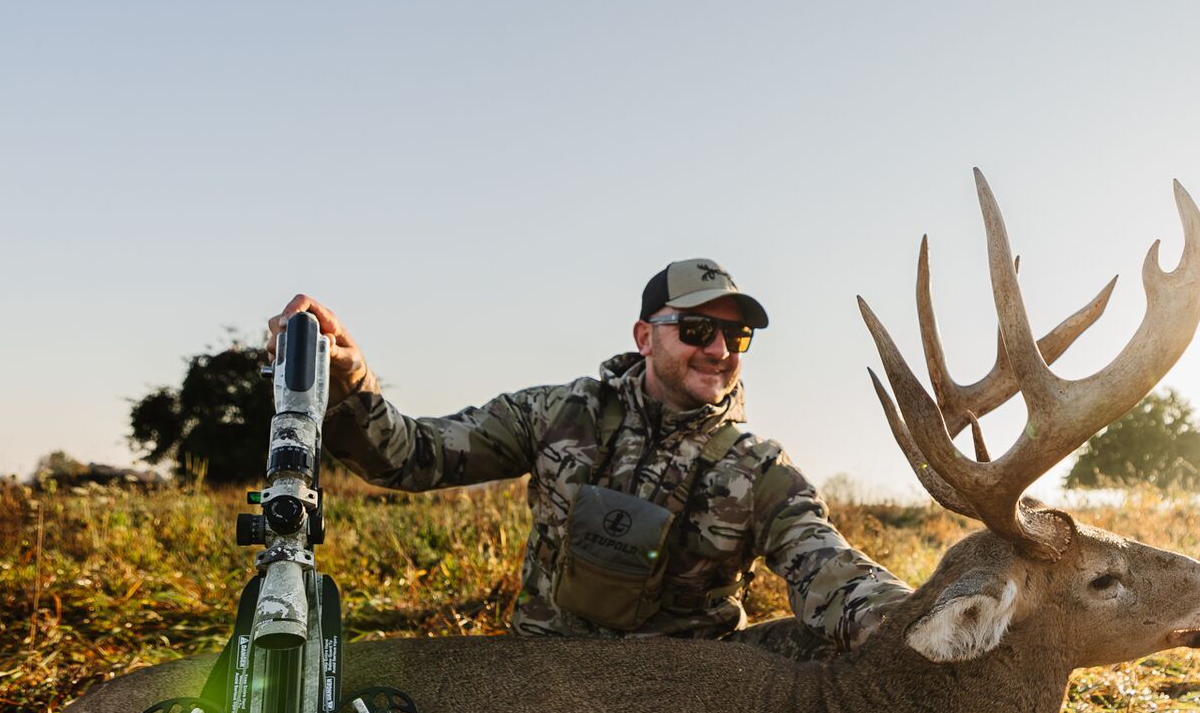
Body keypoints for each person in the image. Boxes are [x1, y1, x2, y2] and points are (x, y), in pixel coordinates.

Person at [268, 259, 909, 658]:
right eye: (695, 330)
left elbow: (828, 569)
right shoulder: (555, 413)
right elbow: (412, 458)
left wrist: (911, 625)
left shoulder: (761, 470)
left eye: (734, 335)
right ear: (644, 336)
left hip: (678, 708)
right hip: (540, 684)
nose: (718, 349)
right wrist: (349, 383)